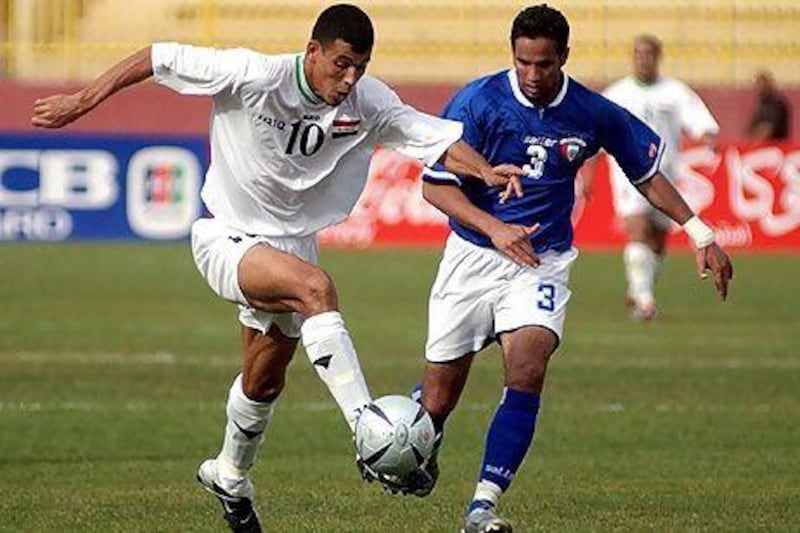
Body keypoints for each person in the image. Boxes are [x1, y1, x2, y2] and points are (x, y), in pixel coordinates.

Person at [31, 5, 524, 532]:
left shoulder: (368, 99)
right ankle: (368, 429)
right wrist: (82, 100)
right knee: (317, 290)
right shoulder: (253, 75)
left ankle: (229, 474)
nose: (350, 77)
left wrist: (486, 171)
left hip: (293, 246)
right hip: (227, 236)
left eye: (359, 65)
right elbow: (158, 56)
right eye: (340, 64)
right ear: (313, 52)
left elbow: (435, 139)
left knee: (263, 382)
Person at [367, 5, 733, 532]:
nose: (533, 76)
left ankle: (483, 506)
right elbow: (434, 184)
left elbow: (646, 174)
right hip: (472, 257)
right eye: (523, 63)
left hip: (542, 262)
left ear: (564, 56)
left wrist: (700, 232)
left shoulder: (591, 111)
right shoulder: (478, 102)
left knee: (529, 366)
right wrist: (493, 227)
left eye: (543, 64)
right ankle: (406, 435)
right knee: (440, 399)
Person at [596, 34, 721, 320]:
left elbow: (699, 121)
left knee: (658, 239)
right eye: (638, 53)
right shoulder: (617, 93)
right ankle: (645, 302)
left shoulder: (675, 92)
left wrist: (705, 135)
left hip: (665, 175)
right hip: (627, 174)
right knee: (637, 228)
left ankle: (638, 291)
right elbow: (597, 133)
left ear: (657, 57)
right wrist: (589, 171)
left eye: (649, 53)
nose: (643, 58)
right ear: (633, 57)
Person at [747, 69, 791, 142]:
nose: (758, 88)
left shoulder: (775, 103)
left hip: (773, 148)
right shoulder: (762, 104)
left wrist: (755, 145)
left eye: (761, 85)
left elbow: (767, 129)